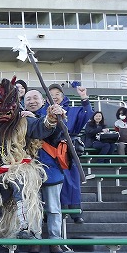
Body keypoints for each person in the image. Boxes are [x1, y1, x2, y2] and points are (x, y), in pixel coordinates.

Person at [0, 77, 64, 240]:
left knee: (22, 184)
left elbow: (41, 127)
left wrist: (51, 119)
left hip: (19, 169)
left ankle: (26, 227)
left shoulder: (23, 121)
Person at [21, 89, 65, 253]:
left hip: (51, 169)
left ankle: (55, 240)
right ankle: (35, 239)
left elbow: (57, 132)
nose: (32, 101)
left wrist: (39, 119)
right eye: (28, 99)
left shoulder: (53, 114)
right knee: (33, 207)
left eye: (35, 98)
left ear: (43, 101)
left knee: (53, 208)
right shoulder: (20, 118)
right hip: (29, 170)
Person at [48, 83, 93, 223]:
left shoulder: (71, 111)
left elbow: (87, 113)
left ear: (63, 96)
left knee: (72, 181)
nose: (55, 97)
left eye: (57, 94)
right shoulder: (45, 111)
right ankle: (54, 210)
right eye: (51, 95)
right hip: (49, 149)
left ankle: (75, 212)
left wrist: (84, 97)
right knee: (53, 182)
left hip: (68, 150)